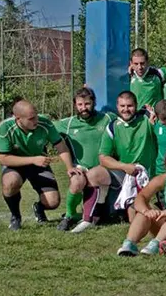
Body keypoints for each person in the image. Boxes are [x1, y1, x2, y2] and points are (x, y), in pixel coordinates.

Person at [81, 92, 158, 232]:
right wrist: (124, 166)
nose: (126, 109)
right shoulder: (113, 126)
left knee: (135, 220)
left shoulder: (147, 119)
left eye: (130, 106)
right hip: (124, 174)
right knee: (93, 174)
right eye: (122, 106)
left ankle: (125, 208)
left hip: (146, 177)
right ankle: (91, 217)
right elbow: (103, 157)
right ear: (117, 106)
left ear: (136, 106)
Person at [0, 99, 77, 231]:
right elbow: (4, 159)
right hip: (15, 164)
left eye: (36, 115)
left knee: (53, 202)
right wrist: (33, 160)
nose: (36, 120)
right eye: (31, 118)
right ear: (18, 119)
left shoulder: (45, 123)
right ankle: (15, 216)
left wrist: (70, 168)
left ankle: (39, 208)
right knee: (10, 183)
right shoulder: (4, 128)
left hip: (39, 163)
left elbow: (61, 146)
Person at [54, 88, 115, 231]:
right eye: (80, 104)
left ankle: (94, 212)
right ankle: (69, 216)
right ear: (75, 104)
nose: (84, 108)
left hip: (103, 169)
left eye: (87, 104)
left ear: (94, 103)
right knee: (76, 181)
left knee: (104, 216)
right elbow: (46, 126)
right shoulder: (67, 124)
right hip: (81, 167)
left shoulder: (107, 118)